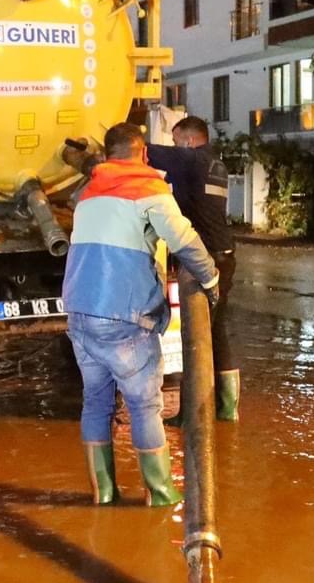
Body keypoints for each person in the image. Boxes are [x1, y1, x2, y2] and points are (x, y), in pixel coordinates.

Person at [62, 122, 220, 506]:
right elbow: (185, 240)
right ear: (143, 154)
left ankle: (103, 493)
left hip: (80, 315)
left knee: (96, 402)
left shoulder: (87, 194)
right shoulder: (149, 190)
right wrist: (211, 279)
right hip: (124, 317)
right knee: (144, 405)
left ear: (108, 154)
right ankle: (160, 492)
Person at [146, 116, 240, 421]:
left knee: (195, 336)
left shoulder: (190, 159)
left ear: (188, 140)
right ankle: (227, 411)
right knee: (216, 333)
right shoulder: (216, 163)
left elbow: (139, 152)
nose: (174, 147)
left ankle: (192, 416)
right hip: (225, 255)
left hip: (204, 260)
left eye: (176, 141)